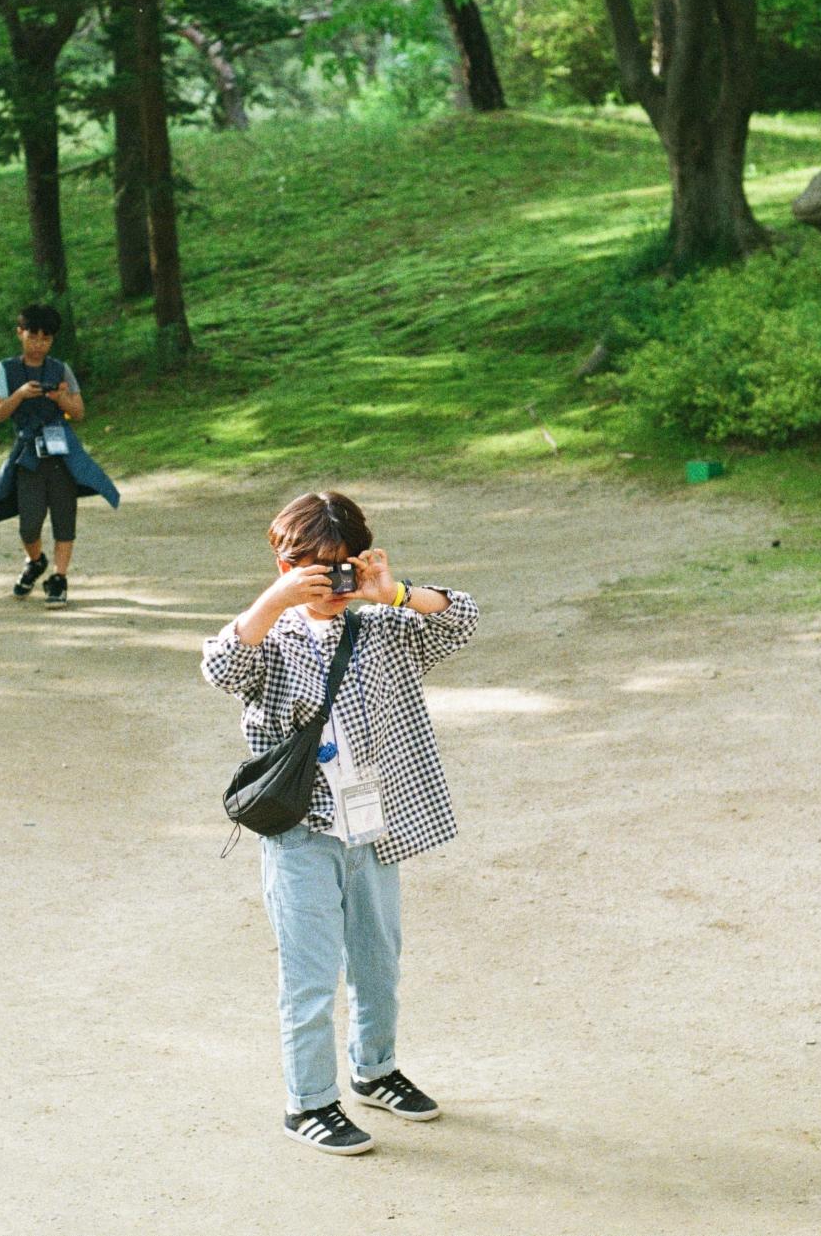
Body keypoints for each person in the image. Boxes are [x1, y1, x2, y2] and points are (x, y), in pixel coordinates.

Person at [201, 491, 479, 1155]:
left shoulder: (383, 624)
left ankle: (374, 1067)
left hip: (376, 826)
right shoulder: (272, 635)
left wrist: (395, 590)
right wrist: (276, 599)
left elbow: (462, 619)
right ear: (283, 562)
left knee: (380, 959)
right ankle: (308, 1101)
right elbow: (219, 666)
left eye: (342, 566)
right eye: (313, 569)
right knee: (310, 970)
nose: (330, 583)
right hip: (303, 830)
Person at [0, 304, 118, 608]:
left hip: (61, 450)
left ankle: (59, 577)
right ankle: (35, 560)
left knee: (65, 518)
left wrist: (60, 397)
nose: (38, 344)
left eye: (46, 339)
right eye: (33, 337)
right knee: (29, 523)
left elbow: (78, 412)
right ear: (20, 334)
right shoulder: (5, 369)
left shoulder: (60, 369)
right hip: (28, 453)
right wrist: (21, 394)